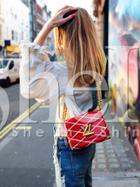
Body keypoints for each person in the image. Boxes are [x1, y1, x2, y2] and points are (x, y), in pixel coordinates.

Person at [20, 6, 106, 187]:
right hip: (89, 139)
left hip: (71, 145)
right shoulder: (95, 64)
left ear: (63, 37)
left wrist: (48, 27)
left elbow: (30, 86)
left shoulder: (64, 72)